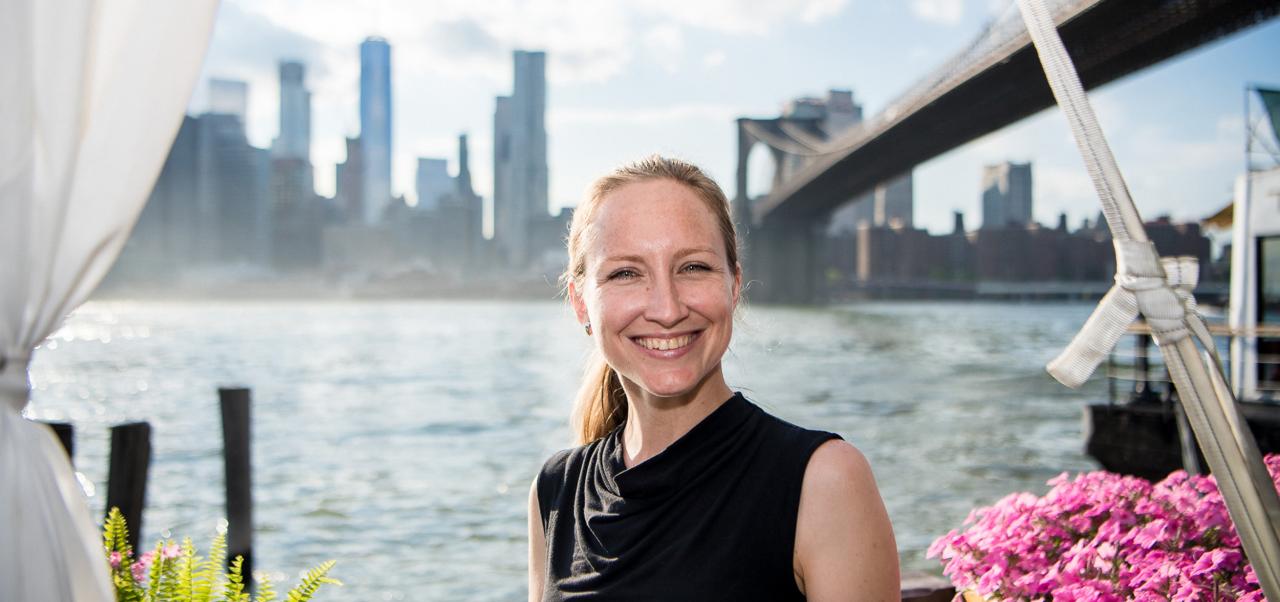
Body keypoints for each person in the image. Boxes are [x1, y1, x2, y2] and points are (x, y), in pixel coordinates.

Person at [528, 155, 899, 601]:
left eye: (694, 268)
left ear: (733, 283)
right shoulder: (555, 490)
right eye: (626, 273)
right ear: (581, 303)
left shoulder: (823, 481)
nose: (667, 309)